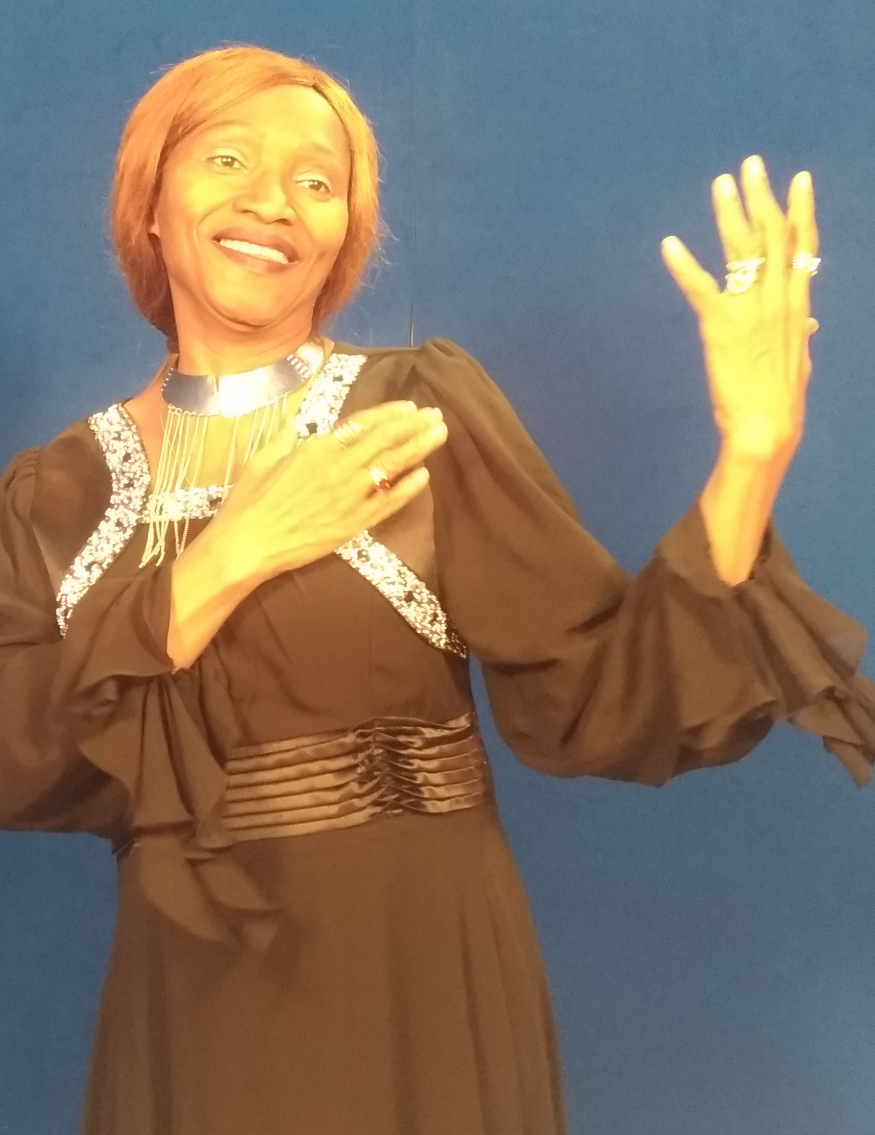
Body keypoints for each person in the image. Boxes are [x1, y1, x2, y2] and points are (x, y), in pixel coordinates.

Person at [0, 42, 873, 1135]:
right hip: (188, 997)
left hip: (423, 976)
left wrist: (750, 453)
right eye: (228, 159)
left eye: (318, 181)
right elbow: (18, 762)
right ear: (149, 205)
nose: (273, 200)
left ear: (341, 237)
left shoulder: (411, 414)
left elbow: (601, 703)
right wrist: (224, 560)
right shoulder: (55, 494)